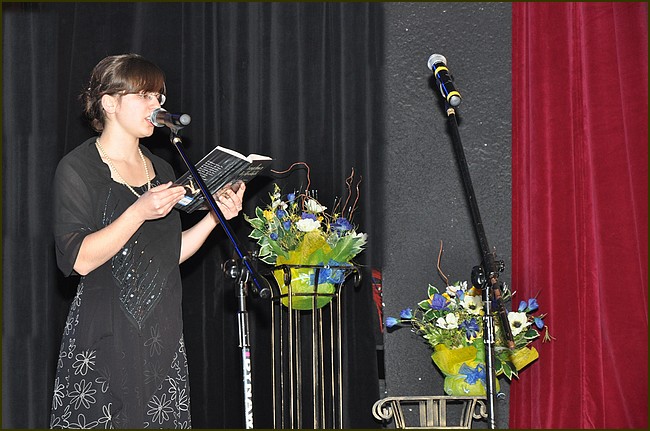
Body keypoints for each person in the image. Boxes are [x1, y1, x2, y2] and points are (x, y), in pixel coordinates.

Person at [50, 53, 245, 428]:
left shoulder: (163, 167)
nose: (157, 104)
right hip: (103, 338)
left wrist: (214, 218)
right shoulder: (77, 168)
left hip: (160, 336)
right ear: (110, 103)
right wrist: (138, 211)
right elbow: (79, 260)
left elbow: (168, 254)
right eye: (145, 95)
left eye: (159, 96)